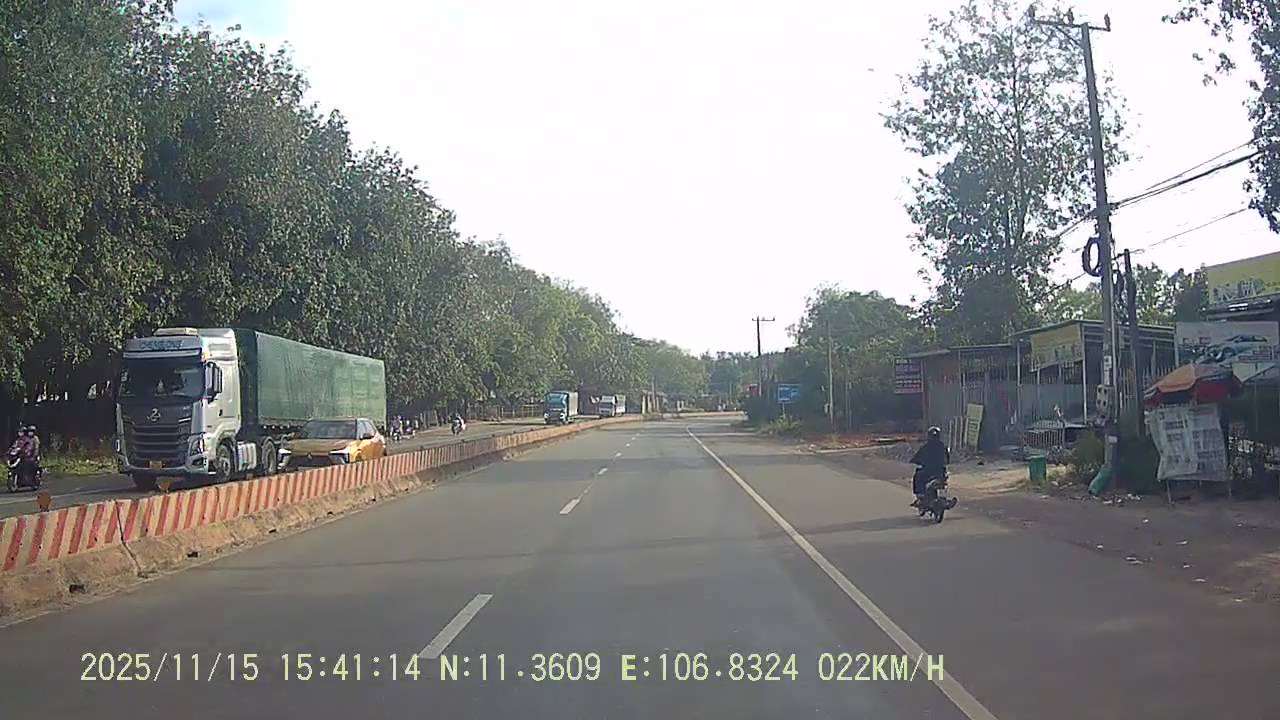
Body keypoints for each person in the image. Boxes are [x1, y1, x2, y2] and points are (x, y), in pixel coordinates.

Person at [909, 426, 949, 507]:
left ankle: (920, 497)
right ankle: (943, 499)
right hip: (940, 472)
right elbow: (947, 460)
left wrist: (913, 460)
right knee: (944, 481)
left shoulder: (925, 447)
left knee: (917, 477)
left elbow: (917, 457)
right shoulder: (943, 446)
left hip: (928, 471)